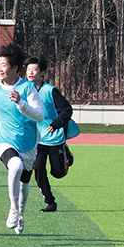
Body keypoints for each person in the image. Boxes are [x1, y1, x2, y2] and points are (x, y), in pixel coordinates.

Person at [0, 43, 44, 235]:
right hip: (3, 140)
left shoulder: (28, 88)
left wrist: (21, 103)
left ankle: (21, 213)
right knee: (15, 165)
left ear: (14, 67)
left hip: (27, 143)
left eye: (4, 65)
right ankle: (13, 209)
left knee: (24, 182)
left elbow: (39, 116)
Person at [24, 55, 75, 213]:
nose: (30, 72)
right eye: (28, 69)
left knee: (58, 173)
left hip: (54, 138)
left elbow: (67, 110)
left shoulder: (50, 91)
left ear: (42, 72)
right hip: (36, 140)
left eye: (34, 69)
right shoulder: (24, 90)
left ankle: (66, 155)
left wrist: (56, 124)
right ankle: (50, 202)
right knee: (38, 169)